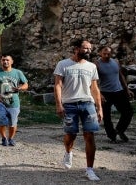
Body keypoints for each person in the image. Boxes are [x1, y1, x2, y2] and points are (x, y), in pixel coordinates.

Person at [54, 39, 103, 181]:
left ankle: (89, 170)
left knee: (90, 135)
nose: (88, 51)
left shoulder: (92, 66)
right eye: (85, 48)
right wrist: (59, 104)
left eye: (90, 49)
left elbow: (94, 88)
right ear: (76, 48)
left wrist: (99, 108)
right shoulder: (63, 64)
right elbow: (57, 85)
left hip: (88, 104)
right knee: (71, 135)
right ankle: (68, 152)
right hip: (69, 105)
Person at [0, 54, 29, 146]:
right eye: (3, 60)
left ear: (12, 61)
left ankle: (11, 138)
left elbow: (26, 84)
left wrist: (20, 88)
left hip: (13, 102)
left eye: (7, 60)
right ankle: (4, 138)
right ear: (1, 61)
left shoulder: (17, 73)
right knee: (0, 119)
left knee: (13, 122)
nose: (5, 62)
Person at [96, 46, 134, 143]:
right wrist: (99, 94)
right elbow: (94, 81)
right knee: (107, 117)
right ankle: (112, 136)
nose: (106, 55)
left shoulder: (115, 62)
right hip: (105, 93)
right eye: (104, 53)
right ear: (100, 53)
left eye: (109, 54)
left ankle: (120, 130)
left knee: (128, 112)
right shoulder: (96, 64)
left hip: (119, 91)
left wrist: (127, 89)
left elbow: (120, 76)